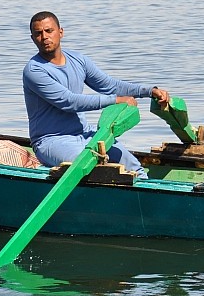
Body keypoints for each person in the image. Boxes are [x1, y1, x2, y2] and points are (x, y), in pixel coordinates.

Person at [22, 11, 170, 179]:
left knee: (134, 166)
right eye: (38, 33)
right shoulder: (34, 70)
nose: (44, 37)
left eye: (49, 31)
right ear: (33, 38)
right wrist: (115, 101)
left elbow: (109, 85)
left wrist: (149, 91)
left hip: (85, 134)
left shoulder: (78, 60)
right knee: (89, 166)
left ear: (60, 32)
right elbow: (69, 102)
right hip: (51, 141)